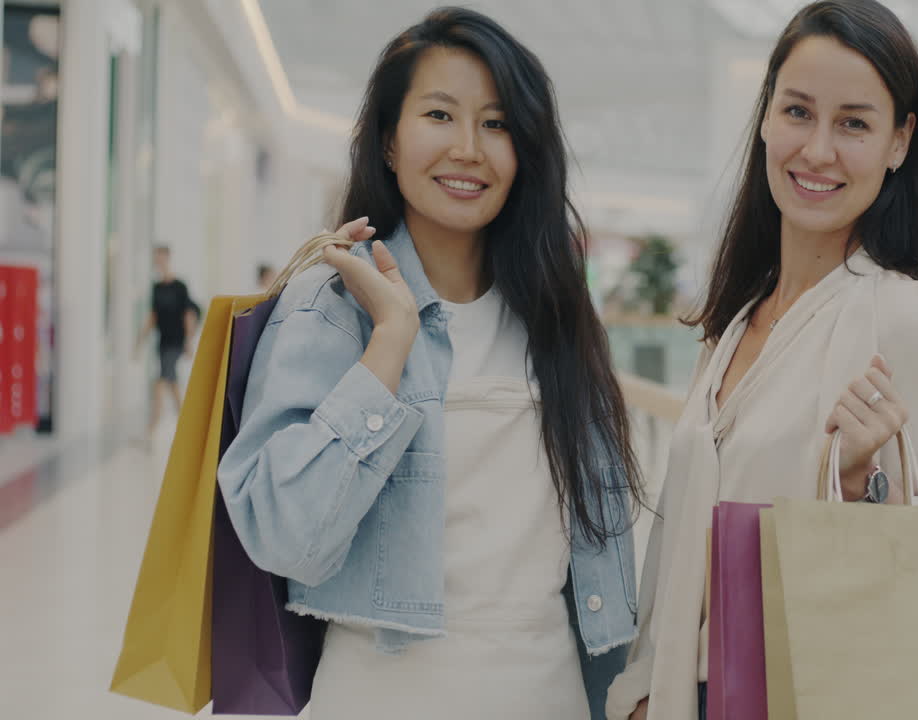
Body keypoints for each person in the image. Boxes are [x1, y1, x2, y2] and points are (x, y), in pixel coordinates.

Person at [218, 9, 643, 719]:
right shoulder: (328, 304)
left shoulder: (557, 314)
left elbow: (597, 561)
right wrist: (389, 343)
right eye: (440, 115)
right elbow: (284, 538)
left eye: (496, 123)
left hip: (548, 694)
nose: (468, 149)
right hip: (382, 696)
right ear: (389, 140)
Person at [605, 2, 918, 718]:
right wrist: (643, 692)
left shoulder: (900, 321)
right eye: (798, 112)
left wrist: (861, 490)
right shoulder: (734, 325)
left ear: (899, 141)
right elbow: (680, 544)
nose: (817, 150)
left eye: (853, 124)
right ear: (765, 119)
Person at [134, 245, 199, 448]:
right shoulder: (156, 288)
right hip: (163, 342)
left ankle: (151, 431)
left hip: (176, 342)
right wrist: (140, 340)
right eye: (156, 258)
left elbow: (188, 314)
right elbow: (153, 316)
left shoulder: (180, 286)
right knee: (172, 384)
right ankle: (188, 431)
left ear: (168, 258)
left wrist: (189, 341)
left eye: (161, 257)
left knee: (160, 383)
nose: (158, 261)